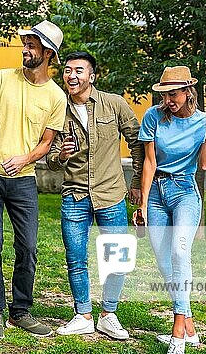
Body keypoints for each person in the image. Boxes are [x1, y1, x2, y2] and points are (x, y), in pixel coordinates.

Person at [0, 20, 67, 338]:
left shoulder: (56, 97)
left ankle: (22, 310)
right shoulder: (1, 78)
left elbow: (46, 142)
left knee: (27, 246)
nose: (25, 50)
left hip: (23, 176)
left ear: (48, 53)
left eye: (32, 46)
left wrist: (25, 159)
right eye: (25, 44)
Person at [46, 52, 144, 339]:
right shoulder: (57, 110)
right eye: (67, 71)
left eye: (79, 70)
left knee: (117, 258)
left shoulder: (114, 104)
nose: (72, 76)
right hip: (74, 195)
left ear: (92, 76)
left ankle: (108, 315)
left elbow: (137, 139)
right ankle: (83, 315)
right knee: (76, 259)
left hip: (111, 193)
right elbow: (50, 156)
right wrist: (60, 156)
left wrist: (136, 179)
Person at [137, 66, 206, 354]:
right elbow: (150, 162)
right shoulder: (153, 117)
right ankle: (191, 329)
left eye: (173, 94)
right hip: (158, 193)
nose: (168, 100)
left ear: (188, 92)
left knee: (179, 253)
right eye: (164, 94)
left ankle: (177, 333)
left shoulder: (201, 122)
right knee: (164, 263)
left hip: (185, 192)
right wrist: (144, 203)